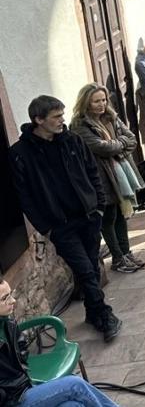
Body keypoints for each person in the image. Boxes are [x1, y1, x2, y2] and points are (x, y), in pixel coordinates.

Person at [10, 96, 123, 340]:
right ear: (39, 120)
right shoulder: (20, 154)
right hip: (60, 226)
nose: (62, 120)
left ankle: (93, 313)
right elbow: (24, 197)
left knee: (91, 266)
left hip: (89, 217)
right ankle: (105, 315)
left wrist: (99, 207)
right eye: (56, 116)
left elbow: (93, 172)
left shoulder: (72, 140)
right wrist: (45, 228)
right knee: (84, 270)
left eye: (62, 115)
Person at [0, 278, 121, 406]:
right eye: (4, 298)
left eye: (11, 294)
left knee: (74, 405)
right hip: (13, 401)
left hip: (24, 388)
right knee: (75, 385)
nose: (12, 301)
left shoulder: (7, 322)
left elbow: (21, 353)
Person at [70, 83, 145, 273]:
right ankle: (118, 258)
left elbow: (131, 139)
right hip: (101, 176)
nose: (101, 104)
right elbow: (100, 147)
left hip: (120, 172)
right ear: (86, 102)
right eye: (96, 101)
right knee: (109, 216)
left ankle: (126, 252)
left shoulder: (110, 117)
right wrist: (119, 144)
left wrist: (116, 144)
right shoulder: (80, 125)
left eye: (103, 100)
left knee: (122, 214)